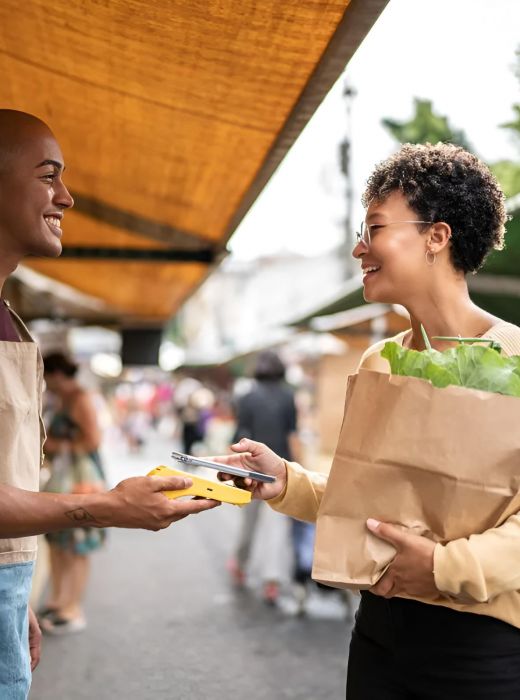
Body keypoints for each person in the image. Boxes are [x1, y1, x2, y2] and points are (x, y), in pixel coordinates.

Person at [215, 143, 520, 699]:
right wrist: (287, 481)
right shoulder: (377, 362)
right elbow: (371, 502)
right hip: (379, 635)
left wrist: (448, 566)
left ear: (437, 236)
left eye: (375, 227)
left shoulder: (517, 359)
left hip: (483, 645)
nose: (360, 248)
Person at [0, 109, 219, 699]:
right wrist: (107, 505)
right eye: (49, 176)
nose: (66, 198)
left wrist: (16, 594)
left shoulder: (9, 318)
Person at [39, 352, 107, 634]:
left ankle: (72, 607)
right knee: (57, 541)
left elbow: (93, 440)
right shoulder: (63, 399)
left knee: (77, 544)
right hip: (64, 477)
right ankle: (59, 600)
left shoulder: (80, 398)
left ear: (56, 374)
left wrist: (58, 446)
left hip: (81, 478)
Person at [227, 351, 299, 604]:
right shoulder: (289, 396)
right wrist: (299, 468)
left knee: (249, 522)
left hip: (251, 469)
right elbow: (292, 436)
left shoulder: (247, 397)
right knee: (276, 528)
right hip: (281, 470)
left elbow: (238, 436)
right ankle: (271, 581)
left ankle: (240, 565)